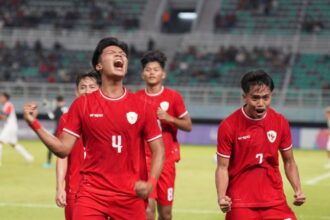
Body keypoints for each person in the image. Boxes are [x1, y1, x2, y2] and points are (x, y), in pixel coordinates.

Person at [23, 37, 165, 220]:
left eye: (122, 54)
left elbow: (159, 149)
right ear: (99, 66)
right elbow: (62, 149)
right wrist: (34, 124)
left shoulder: (142, 106)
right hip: (92, 195)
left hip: (130, 197)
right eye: (112, 53)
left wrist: (151, 182)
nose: (119, 55)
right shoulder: (82, 105)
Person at [215, 70, 306, 219]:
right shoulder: (229, 126)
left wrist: (298, 189)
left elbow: (289, 161)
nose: (261, 103)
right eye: (255, 98)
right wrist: (221, 196)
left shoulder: (280, 122)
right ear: (244, 97)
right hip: (240, 201)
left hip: (274, 200)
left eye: (266, 97)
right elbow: (222, 167)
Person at [136, 50, 192, 220]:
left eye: (155, 69)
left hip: (166, 161)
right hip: (144, 161)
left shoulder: (173, 97)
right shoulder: (135, 98)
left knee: (166, 214)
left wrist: (169, 118)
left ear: (163, 74)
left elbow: (188, 125)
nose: (151, 72)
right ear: (142, 74)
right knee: (148, 210)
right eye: (147, 69)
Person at [55, 70, 101, 220]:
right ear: (76, 92)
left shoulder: (111, 116)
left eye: (92, 86)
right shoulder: (66, 119)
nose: (87, 91)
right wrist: (60, 187)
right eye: (83, 87)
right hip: (76, 190)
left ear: (100, 89)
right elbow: (62, 155)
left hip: (105, 190)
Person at [0, 92, 34, 166]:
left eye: (1, 97)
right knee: (13, 144)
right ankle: (29, 157)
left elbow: (5, 117)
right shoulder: (6, 105)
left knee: (0, 141)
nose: (0, 99)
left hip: (10, 126)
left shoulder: (8, 105)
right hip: (11, 126)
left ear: (5, 98)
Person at [44, 95, 68, 168]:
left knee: (51, 146)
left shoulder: (58, 109)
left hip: (58, 130)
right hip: (67, 131)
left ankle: (48, 163)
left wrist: (46, 108)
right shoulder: (67, 108)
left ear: (57, 101)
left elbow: (51, 117)